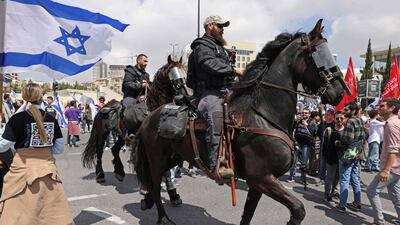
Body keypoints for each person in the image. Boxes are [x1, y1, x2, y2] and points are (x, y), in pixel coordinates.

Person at [0, 83, 74, 225]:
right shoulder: (51, 119)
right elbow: (58, 149)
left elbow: (3, 147)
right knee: (50, 214)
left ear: (24, 97)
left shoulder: (17, 119)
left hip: (21, 172)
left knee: (20, 215)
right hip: (48, 172)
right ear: (41, 97)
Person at [189, 15, 242, 180]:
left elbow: (225, 74)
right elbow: (208, 63)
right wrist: (233, 70)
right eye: (220, 26)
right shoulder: (202, 46)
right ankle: (215, 165)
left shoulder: (221, 49)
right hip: (208, 93)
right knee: (216, 116)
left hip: (224, 91)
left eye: (223, 26)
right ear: (210, 26)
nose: (223, 29)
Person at [367, 98, 400, 225]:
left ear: (391, 108)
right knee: (396, 197)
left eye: (382, 106)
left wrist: (386, 170)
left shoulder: (392, 124)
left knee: (371, 191)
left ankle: (379, 221)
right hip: (396, 167)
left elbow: (393, 149)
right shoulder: (394, 122)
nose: (379, 108)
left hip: (391, 167)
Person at [335, 101, 365, 212]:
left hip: (348, 153)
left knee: (344, 180)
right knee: (355, 179)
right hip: (357, 153)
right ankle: (357, 203)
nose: (344, 111)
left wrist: (337, 142)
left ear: (353, 111)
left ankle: (342, 206)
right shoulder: (360, 120)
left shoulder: (350, 122)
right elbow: (364, 137)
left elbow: (347, 139)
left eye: (346, 110)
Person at [289, 107, 318, 182]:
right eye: (303, 113)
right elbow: (294, 129)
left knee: (304, 162)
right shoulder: (299, 121)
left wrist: (307, 125)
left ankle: (302, 178)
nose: (304, 114)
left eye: (306, 113)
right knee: (294, 161)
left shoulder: (312, 122)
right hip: (297, 143)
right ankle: (292, 176)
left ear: (309, 114)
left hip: (306, 144)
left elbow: (314, 132)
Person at [323, 111, 345, 202]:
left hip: (342, 158)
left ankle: (334, 191)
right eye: (337, 118)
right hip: (331, 157)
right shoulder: (329, 130)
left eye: (341, 118)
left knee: (338, 177)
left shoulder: (346, 130)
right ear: (334, 119)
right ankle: (327, 193)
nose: (339, 120)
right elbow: (325, 144)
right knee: (329, 177)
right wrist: (324, 156)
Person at [318, 108, 336, 185]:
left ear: (332, 115)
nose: (325, 116)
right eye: (325, 114)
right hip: (323, 146)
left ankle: (331, 180)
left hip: (332, 148)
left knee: (331, 165)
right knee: (322, 164)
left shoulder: (335, 124)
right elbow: (318, 134)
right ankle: (322, 179)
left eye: (327, 115)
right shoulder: (322, 124)